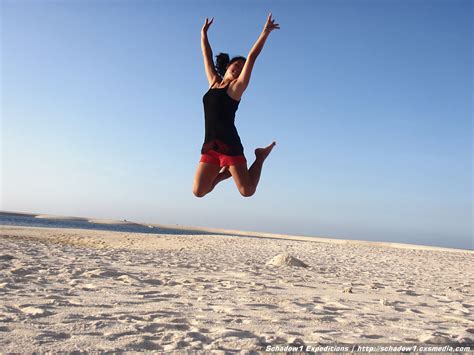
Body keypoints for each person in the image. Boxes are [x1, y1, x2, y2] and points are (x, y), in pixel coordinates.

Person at [192, 13, 280, 198]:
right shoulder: (214, 82)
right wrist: (203, 34)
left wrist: (265, 32)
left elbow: (252, 57)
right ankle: (225, 174)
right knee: (199, 191)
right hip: (210, 145)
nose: (239, 68)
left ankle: (260, 156)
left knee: (247, 191)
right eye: (236, 65)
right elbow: (206, 56)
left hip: (230, 145)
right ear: (228, 67)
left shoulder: (236, 88)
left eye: (242, 67)